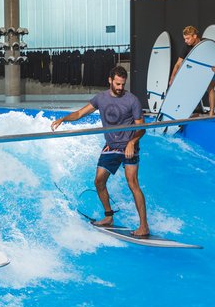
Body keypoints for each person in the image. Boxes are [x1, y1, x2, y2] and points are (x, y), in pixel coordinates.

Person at [51, 66, 149, 236]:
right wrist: (63, 119)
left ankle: (144, 226)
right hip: (111, 146)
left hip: (128, 146)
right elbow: (80, 113)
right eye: (117, 84)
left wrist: (132, 142)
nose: (120, 87)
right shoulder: (100, 98)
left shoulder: (132, 100)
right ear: (110, 80)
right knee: (99, 181)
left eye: (122, 84)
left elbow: (142, 128)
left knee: (132, 182)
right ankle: (109, 216)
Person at [168, 25, 215, 116]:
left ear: (195, 36)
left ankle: (212, 112)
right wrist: (172, 78)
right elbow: (178, 63)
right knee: (190, 87)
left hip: (212, 66)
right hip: (198, 68)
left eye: (188, 38)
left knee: (210, 87)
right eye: (185, 39)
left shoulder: (206, 43)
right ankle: (187, 111)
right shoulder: (186, 47)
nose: (186, 41)